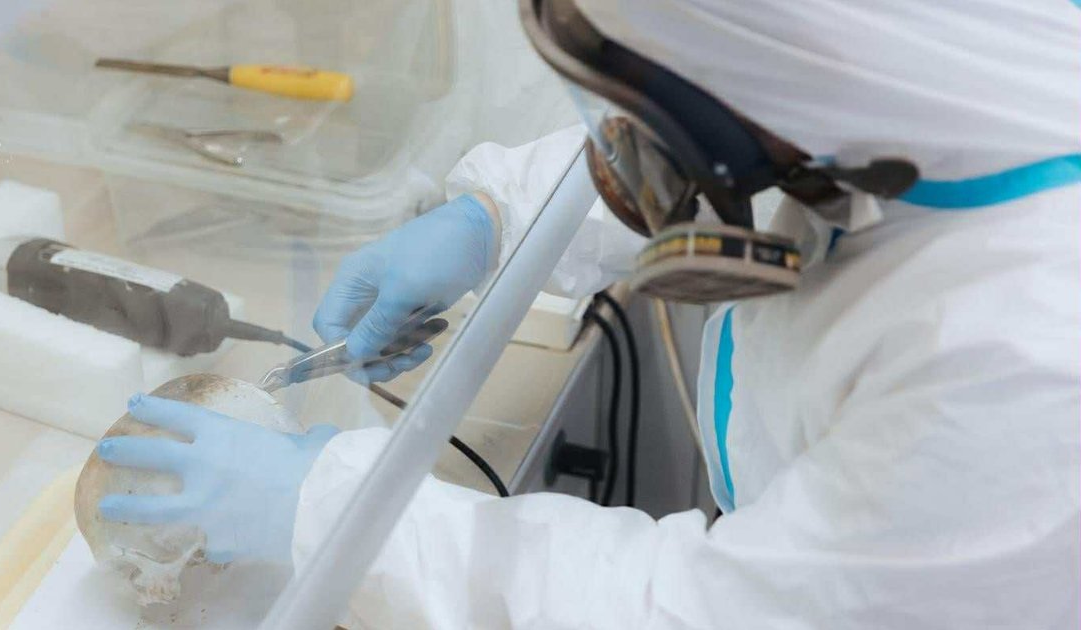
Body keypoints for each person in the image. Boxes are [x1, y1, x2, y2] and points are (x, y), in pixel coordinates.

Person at [96, 0, 1081, 627]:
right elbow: (737, 141)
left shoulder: (1023, 362)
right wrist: (492, 216)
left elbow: (706, 613)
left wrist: (329, 509)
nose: (611, 143)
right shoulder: (938, 66)